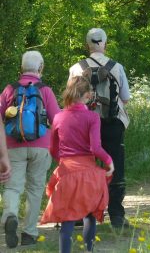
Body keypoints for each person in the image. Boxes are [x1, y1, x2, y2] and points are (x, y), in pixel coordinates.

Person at [41, 77, 114, 252]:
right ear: (88, 95)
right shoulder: (92, 117)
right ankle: (89, 250)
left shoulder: (58, 117)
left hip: (67, 172)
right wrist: (109, 162)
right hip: (89, 172)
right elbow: (95, 148)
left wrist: (65, 163)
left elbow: (52, 149)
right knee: (89, 213)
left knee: (67, 218)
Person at [69, 28, 130, 229]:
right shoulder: (116, 67)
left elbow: (70, 100)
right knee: (115, 167)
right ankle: (117, 216)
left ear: (87, 44)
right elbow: (125, 98)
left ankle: (83, 214)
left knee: (84, 168)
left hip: (84, 125)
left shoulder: (76, 68)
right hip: (112, 123)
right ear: (105, 43)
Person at [0, 51, 60, 248]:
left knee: (12, 187)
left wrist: (2, 155)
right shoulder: (45, 91)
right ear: (40, 67)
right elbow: (58, 121)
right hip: (41, 146)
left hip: (13, 147)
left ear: (21, 67)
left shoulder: (9, 90)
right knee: (34, 189)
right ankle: (29, 233)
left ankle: (10, 216)